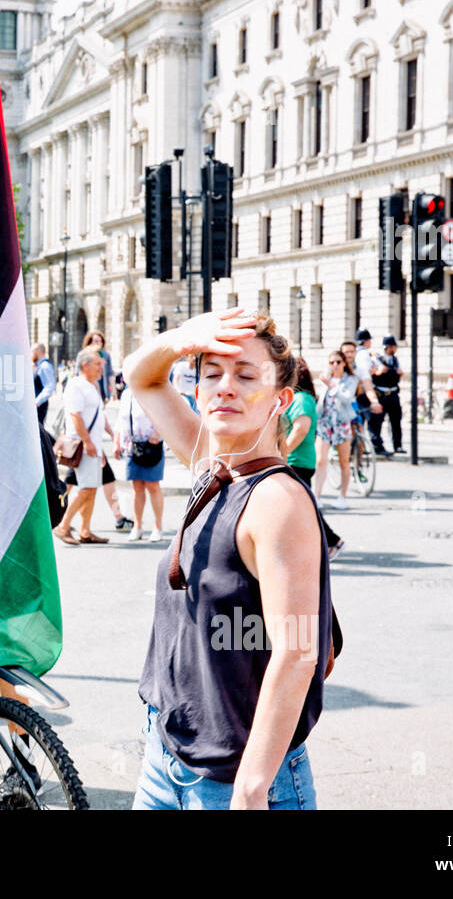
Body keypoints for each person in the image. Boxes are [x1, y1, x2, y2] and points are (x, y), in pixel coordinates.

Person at [124, 309, 331, 810]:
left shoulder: (276, 499)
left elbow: (299, 651)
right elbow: (140, 375)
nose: (225, 388)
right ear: (197, 391)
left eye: (245, 375)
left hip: (235, 781)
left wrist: (251, 788)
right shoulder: (213, 468)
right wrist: (182, 339)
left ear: (281, 399)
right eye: (212, 374)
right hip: (167, 759)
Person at [53, 346, 120, 545]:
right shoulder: (76, 385)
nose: (101, 368)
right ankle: (63, 525)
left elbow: (99, 415)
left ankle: (85, 530)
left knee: (91, 488)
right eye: (97, 364)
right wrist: (88, 441)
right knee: (86, 487)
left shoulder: (91, 386)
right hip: (84, 446)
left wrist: (111, 433)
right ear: (85, 365)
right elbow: (76, 415)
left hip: (94, 445)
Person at [284, 357, 344, 560]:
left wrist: (281, 454)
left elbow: (300, 429)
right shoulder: (298, 397)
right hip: (296, 460)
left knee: (304, 507)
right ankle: (319, 542)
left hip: (297, 460)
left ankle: (332, 540)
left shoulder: (301, 399)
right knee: (300, 507)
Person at [117, 385, 165, 541]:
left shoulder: (155, 391)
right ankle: (137, 526)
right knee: (137, 487)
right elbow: (121, 418)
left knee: (153, 485)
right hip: (133, 446)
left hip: (152, 445)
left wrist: (158, 434)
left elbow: (166, 416)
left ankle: (158, 526)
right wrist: (117, 442)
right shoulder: (127, 394)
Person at [314, 348, 357, 510]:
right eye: (331, 362)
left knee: (344, 462)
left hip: (342, 424)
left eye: (338, 362)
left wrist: (331, 385)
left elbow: (346, 399)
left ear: (344, 363)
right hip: (325, 423)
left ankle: (342, 497)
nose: (335, 365)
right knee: (320, 460)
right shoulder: (328, 378)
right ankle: (317, 495)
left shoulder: (350, 380)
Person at [369, 335, 404, 456]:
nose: (394, 349)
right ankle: (377, 445)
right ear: (388, 347)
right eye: (393, 346)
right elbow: (379, 372)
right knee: (377, 421)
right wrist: (391, 372)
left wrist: (391, 372)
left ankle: (397, 445)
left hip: (393, 393)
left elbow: (397, 374)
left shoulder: (395, 360)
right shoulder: (378, 359)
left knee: (396, 420)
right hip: (381, 394)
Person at [350, 330, 384, 448]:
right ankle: (375, 445)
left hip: (359, 395)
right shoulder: (364, 354)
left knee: (359, 424)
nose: (350, 355)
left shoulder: (361, 359)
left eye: (351, 352)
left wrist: (374, 401)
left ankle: (358, 457)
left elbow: (367, 383)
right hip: (357, 396)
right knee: (371, 420)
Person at [82, 330, 116, 402]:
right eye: (96, 341)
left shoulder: (106, 355)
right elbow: (78, 373)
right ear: (90, 342)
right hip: (87, 389)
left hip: (102, 390)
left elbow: (110, 374)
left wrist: (113, 391)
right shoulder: (83, 355)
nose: (99, 343)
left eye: (100, 341)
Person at [32, 343, 57, 425]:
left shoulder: (45, 366)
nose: (30, 354)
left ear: (38, 352)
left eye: (32, 351)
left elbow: (50, 386)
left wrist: (37, 402)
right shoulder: (38, 365)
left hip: (38, 406)